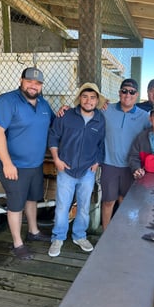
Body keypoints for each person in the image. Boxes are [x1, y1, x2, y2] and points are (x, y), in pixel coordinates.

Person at [0, 67, 55, 260]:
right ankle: (17, 243)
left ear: (41, 86)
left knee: (32, 199)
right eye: (29, 81)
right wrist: (7, 163)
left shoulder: (44, 105)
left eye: (37, 83)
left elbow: (56, 124)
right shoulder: (7, 101)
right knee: (15, 205)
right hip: (14, 166)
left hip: (35, 165)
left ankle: (33, 231)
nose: (33, 85)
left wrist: (64, 111)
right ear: (21, 80)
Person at [47, 83, 105, 257]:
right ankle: (58, 238)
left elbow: (101, 144)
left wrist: (97, 162)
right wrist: (56, 159)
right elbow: (53, 137)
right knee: (62, 207)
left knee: (84, 206)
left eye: (92, 97)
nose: (88, 101)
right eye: (85, 96)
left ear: (97, 100)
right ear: (80, 98)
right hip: (66, 170)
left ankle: (79, 235)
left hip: (87, 171)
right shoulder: (65, 116)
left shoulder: (100, 119)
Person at [101, 79, 151, 230]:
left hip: (131, 167)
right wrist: (66, 108)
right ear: (119, 93)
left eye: (132, 92)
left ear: (136, 95)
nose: (127, 94)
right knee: (108, 201)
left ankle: (123, 233)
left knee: (125, 202)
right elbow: (86, 106)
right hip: (109, 164)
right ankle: (105, 236)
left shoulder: (144, 116)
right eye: (124, 91)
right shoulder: (106, 109)